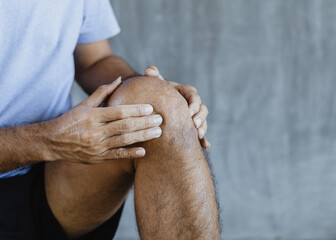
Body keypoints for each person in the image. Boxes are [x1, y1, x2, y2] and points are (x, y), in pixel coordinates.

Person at [0, 0, 220, 239]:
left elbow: (94, 59)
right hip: (32, 150)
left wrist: (154, 91)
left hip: (50, 175)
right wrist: (46, 141)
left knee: (160, 109)